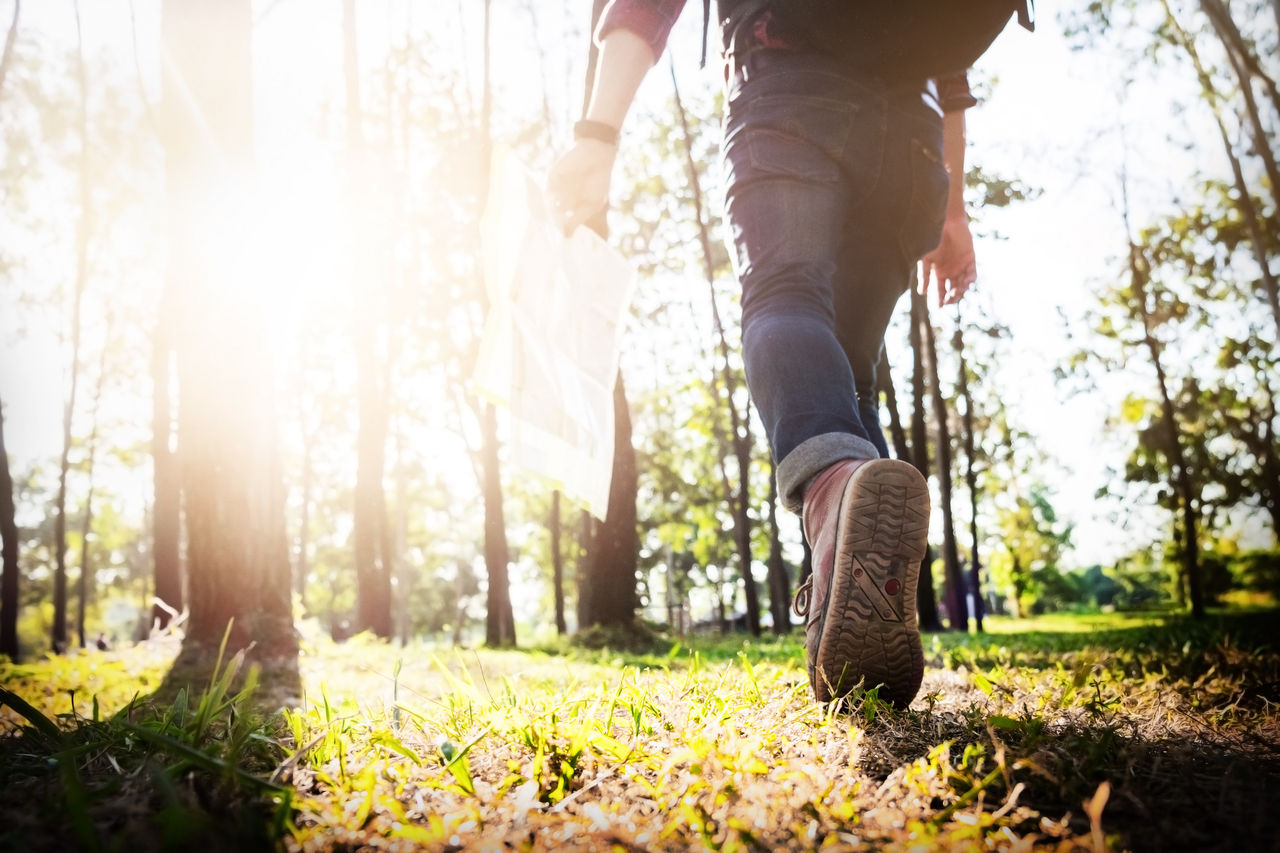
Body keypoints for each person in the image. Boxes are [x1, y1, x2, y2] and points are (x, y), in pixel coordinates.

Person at [548, 0, 979, 707]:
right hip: (913, 146)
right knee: (851, 373)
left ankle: (835, 495)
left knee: (784, 298)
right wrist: (953, 208)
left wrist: (598, 133)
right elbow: (950, 52)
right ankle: (856, 608)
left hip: (790, 86)